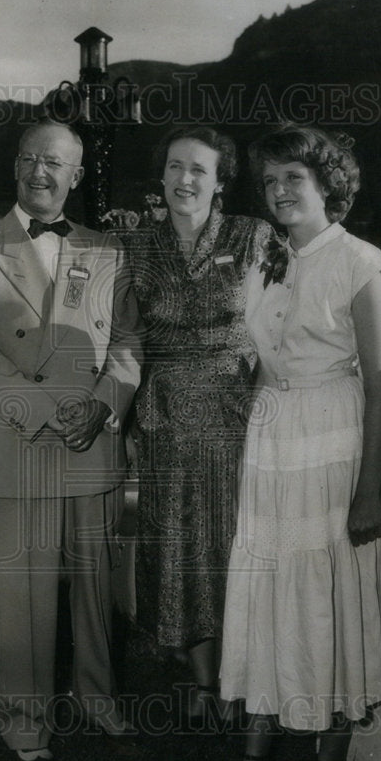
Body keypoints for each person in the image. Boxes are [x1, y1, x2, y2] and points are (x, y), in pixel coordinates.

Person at [0, 118, 143, 761]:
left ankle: (98, 696)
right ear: (15, 167)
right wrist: (54, 414)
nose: (39, 171)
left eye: (54, 162)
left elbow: (129, 344)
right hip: (16, 438)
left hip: (94, 440)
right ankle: (26, 720)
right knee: (22, 593)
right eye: (28, 158)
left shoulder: (108, 248)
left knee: (95, 585)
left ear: (76, 175)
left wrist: (106, 405)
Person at [218, 124, 381, 761]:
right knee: (267, 595)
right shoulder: (266, 260)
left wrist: (366, 492)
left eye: (293, 177)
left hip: (333, 442)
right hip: (271, 442)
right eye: (268, 181)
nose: (278, 191)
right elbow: (259, 356)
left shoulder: (359, 264)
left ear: (328, 184)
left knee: (331, 597)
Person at [128, 126, 276, 725]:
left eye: (198, 170)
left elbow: (282, 325)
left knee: (232, 543)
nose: (184, 179)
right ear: (162, 175)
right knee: (178, 545)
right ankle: (202, 682)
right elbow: (117, 335)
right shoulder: (134, 244)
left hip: (235, 413)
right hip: (164, 417)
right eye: (174, 167)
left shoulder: (252, 236)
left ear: (220, 183)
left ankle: (247, 678)